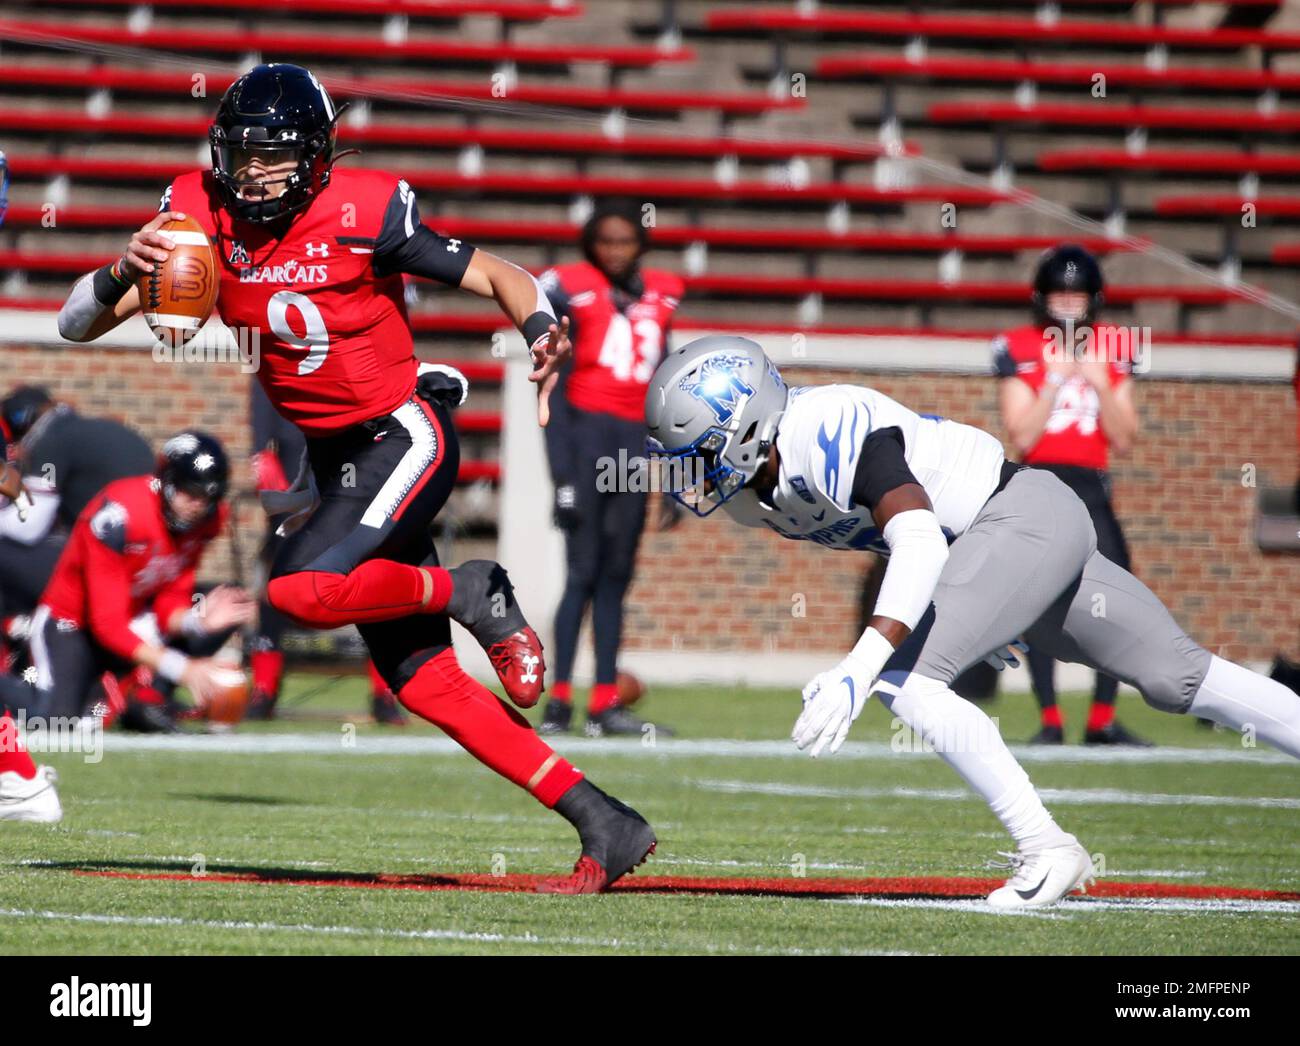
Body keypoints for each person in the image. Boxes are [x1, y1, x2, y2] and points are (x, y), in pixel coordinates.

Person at [54, 62, 655, 892]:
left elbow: (497, 274)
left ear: (318, 157)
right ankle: (603, 820)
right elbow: (74, 324)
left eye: (275, 157)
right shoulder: (197, 214)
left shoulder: (363, 209)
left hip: (405, 430)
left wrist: (542, 326)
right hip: (338, 462)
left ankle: (470, 591)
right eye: (242, 155)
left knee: (297, 592)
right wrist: (126, 271)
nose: (254, 175)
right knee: (426, 681)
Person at [645, 335, 1300, 909]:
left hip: (1021, 517)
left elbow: (922, 541)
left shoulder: (827, 428)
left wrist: (858, 667)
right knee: (1177, 676)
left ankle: (1046, 848)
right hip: (1011, 535)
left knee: (905, 682)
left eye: (698, 451)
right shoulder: (752, 498)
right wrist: (979, 603)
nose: (688, 474)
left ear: (748, 424)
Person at [537, 199, 683, 737]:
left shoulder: (662, 293)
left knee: (616, 577)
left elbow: (666, 387)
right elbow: (555, 385)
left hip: (634, 446)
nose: (616, 251)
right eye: (607, 241)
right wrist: (563, 476)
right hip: (586, 439)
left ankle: (603, 702)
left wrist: (671, 468)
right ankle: (558, 700)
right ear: (590, 245)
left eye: (625, 241)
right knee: (581, 573)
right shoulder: (571, 289)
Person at [0, 432, 257, 733]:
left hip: (133, 618)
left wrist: (197, 622)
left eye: (207, 497)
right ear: (165, 482)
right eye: (189, 492)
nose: (197, 505)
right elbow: (107, 624)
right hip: (72, 624)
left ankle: (146, 698)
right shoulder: (118, 516)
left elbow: (169, 601)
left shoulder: (207, 520)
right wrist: (183, 668)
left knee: (219, 610)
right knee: (55, 719)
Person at [994, 244, 1148, 745]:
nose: (1067, 305)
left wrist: (1101, 385)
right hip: (1041, 482)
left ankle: (1102, 717)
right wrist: (1054, 383)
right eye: (1059, 295)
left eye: (1076, 296)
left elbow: (1125, 436)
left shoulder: (1113, 345)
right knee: (1040, 598)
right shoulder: (1019, 347)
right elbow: (1022, 436)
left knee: (1117, 596)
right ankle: (1051, 720)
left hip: (1091, 487)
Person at [247, 382, 406, 724]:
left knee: (375, 586)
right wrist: (276, 486)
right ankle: (264, 689)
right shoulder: (279, 377)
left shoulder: (354, 377)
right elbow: (263, 451)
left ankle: (384, 692)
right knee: (274, 592)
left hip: (352, 503)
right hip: (296, 507)